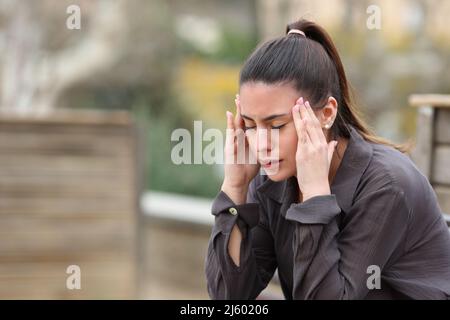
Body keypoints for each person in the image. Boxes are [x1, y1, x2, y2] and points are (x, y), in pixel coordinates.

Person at [204, 18, 450, 300]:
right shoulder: (271, 180)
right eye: (249, 125)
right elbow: (228, 295)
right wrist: (234, 189)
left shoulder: (387, 185)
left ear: (327, 113)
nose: (260, 144)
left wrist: (315, 196)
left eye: (275, 126)